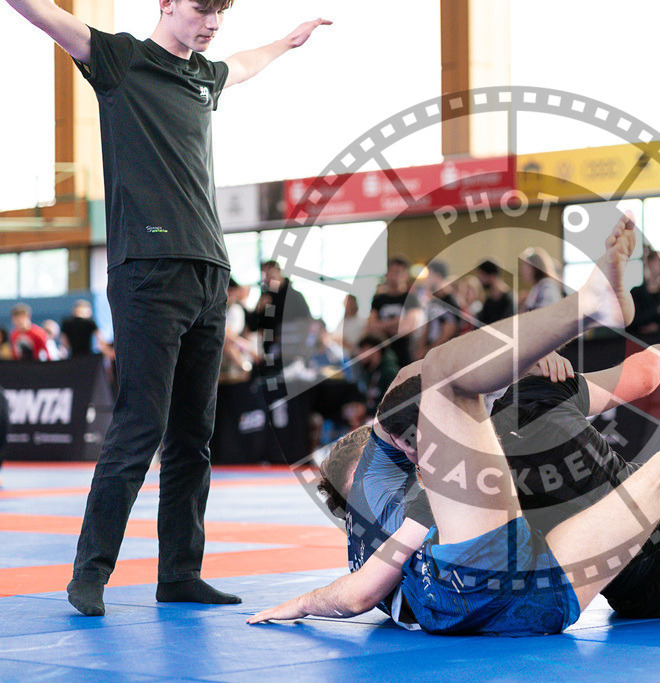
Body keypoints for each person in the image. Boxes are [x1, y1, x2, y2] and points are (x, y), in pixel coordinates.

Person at [249, 216, 660, 634]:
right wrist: (655, 356)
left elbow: (358, 594)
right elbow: (628, 381)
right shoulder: (484, 443)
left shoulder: (398, 508)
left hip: (591, 592)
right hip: (618, 549)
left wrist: (306, 602)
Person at [5, 0, 332, 616]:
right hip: (147, 273)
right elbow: (52, 19)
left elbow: (245, 63)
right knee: (140, 425)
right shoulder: (121, 60)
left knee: (193, 437)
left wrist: (288, 42)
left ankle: (180, 572)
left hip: (210, 272)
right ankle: (90, 573)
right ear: (167, 4)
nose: (212, 23)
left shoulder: (204, 76)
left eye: (220, 13)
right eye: (202, 10)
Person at [366, 256, 423, 367]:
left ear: (406, 275)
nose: (395, 276)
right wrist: (398, 321)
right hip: (382, 357)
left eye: (399, 272)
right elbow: (371, 327)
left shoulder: (411, 298)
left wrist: (382, 326)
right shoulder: (378, 300)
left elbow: (408, 328)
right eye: (393, 271)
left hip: (405, 355)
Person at [414, 261, 459, 360]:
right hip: (429, 350)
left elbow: (448, 331)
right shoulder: (433, 301)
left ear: (437, 276)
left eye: (428, 275)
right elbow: (427, 325)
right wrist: (421, 348)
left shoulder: (450, 302)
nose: (425, 280)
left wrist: (428, 351)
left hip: (443, 353)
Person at [519, 246, 562, 312]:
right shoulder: (538, 286)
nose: (523, 272)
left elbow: (548, 310)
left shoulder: (547, 286)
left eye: (526, 267)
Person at [475, 259, 515, 326]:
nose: (480, 280)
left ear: (492, 276)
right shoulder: (488, 301)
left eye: (482, 276)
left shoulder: (509, 299)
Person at [333, 294, 367, 359]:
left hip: (354, 356)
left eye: (350, 304)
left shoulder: (361, 322)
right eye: (346, 304)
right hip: (339, 355)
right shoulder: (342, 321)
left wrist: (345, 343)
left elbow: (357, 343)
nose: (348, 306)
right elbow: (334, 337)